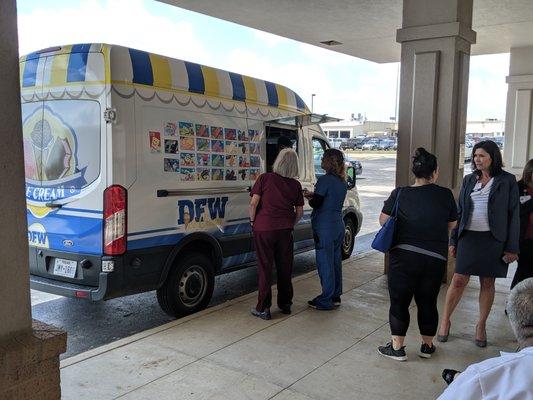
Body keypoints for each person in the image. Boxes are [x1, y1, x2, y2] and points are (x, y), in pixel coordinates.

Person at [376, 148, 458, 361]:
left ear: (415, 172)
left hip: (402, 258)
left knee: (399, 302)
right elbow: (452, 223)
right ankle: (427, 346)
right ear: (435, 172)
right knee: (428, 302)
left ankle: (397, 348)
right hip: (434, 259)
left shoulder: (400, 193)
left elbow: (383, 220)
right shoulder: (445, 194)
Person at [438, 140, 520, 347]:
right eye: (475, 156)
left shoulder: (507, 181)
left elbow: (514, 215)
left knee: (487, 283)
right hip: (469, 238)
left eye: (482, 155)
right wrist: (454, 238)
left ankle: (481, 325)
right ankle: (445, 321)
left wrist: (512, 248)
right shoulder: (468, 180)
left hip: (494, 240)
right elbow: (460, 211)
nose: (477, 159)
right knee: (458, 280)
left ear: (493, 157)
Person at [437, 278, 533, 399]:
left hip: (478, 381)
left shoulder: (483, 374)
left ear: (514, 323)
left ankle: (459, 379)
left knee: (473, 382)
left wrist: (472, 380)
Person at [249, 148, 304, 320]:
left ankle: (263, 308)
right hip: (285, 231)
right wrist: (290, 224)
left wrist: (253, 221)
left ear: (278, 162)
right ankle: (286, 304)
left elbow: (253, 204)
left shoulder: (265, 178)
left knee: (265, 268)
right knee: (285, 267)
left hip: (264, 228)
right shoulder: (296, 185)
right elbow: (300, 211)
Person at [305, 148, 347, 310]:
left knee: (325, 263)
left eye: (323, 158)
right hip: (338, 224)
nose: (321, 160)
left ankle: (325, 299)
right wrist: (314, 195)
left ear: (329, 161)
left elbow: (317, 203)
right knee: (335, 261)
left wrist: (310, 196)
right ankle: (335, 295)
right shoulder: (341, 181)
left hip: (325, 226)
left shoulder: (325, 180)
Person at [511, 159, 533, 289]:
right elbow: (517, 210)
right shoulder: (518, 187)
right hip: (524, 239)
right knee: (524, 272)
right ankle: (513, 304)